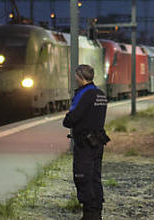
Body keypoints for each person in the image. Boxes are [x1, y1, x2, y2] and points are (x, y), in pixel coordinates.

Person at [62, 64, 110, 220]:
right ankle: (97, 212)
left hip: (85, 143)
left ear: (79, 77)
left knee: (82, 176)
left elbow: (71, 119)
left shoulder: (84, 94)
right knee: (95, 176)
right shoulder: (100, 94)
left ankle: (89, 214)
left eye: (76, 76)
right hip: (98, 141)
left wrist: (68, 119)